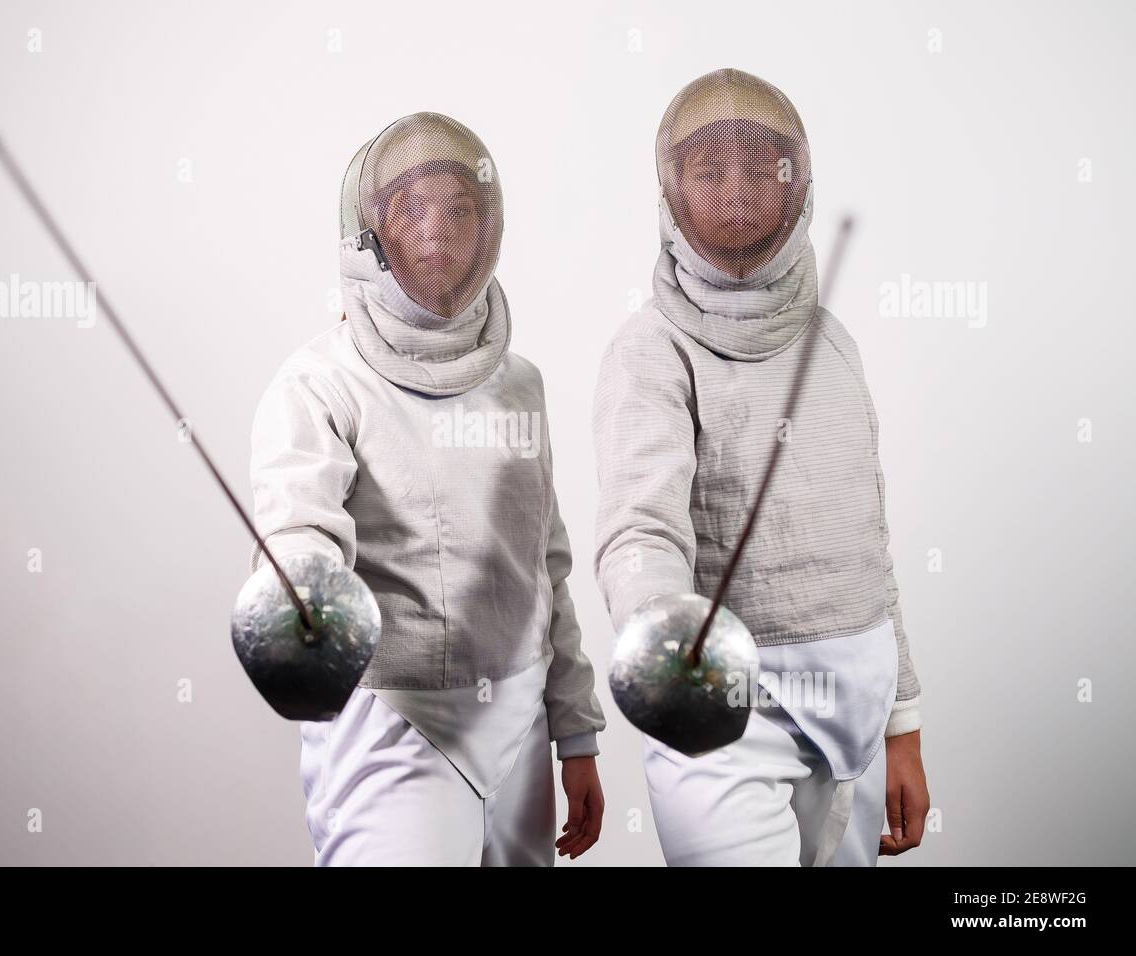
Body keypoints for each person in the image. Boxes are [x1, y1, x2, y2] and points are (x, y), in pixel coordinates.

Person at [250, 112, 606, 866]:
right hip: (391, 728)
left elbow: (546, 563)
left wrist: (574, 731)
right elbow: (297, 529)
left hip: (520, 729)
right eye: (411, 208)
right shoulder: (320, 383)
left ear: (488, 228)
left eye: (459, 209)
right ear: (370, 231)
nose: (436, 229)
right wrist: (299, 593)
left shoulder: (518, 384)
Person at [594, 69, 929, 866]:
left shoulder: (835, 344)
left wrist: (903, 722)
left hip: (857, 710)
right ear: (673, 191)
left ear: (797, 183)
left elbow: (869, 538)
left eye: (759, 171)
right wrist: (664, 641)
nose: (736, 195)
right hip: (722, 710)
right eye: (709, 173)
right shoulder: (651, 352)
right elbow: (640, 528)